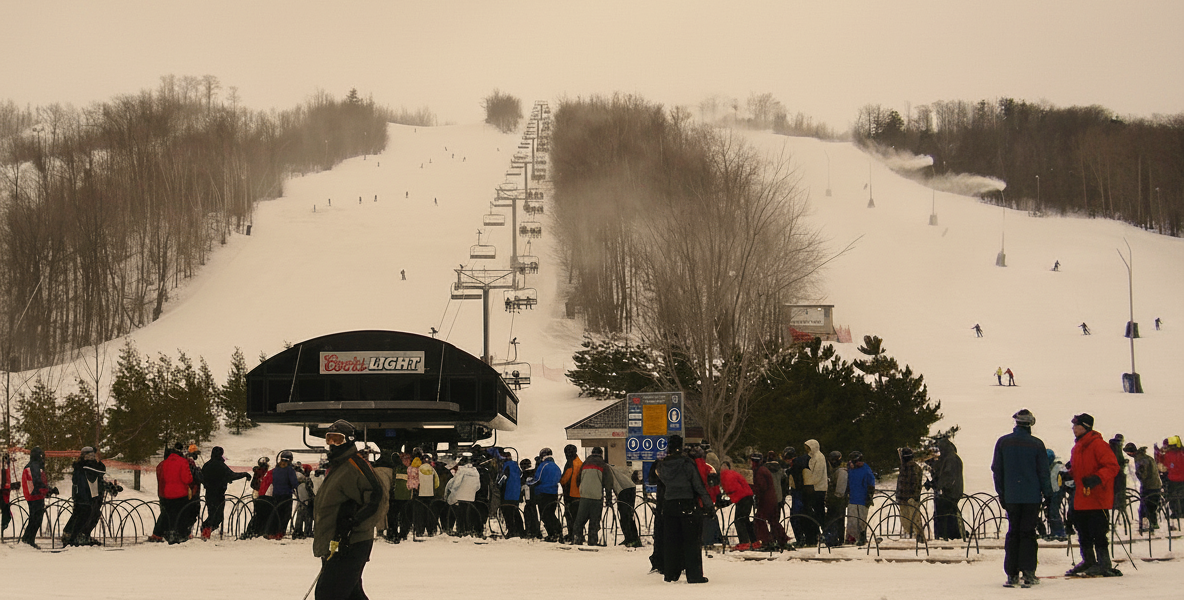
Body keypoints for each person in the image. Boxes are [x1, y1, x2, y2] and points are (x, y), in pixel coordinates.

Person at [313, 420, 386, 600]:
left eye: (337, 439)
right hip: (335, 542)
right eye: (329, 439)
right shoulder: (338, 466)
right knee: (351, 595)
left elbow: (378, 497)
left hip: (351, 543)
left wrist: (354, 522)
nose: (332, 445)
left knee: (328, 594)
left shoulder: (355, 465)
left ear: (350, 440)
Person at [991, 409, 1053, 587]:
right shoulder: (1036, 444)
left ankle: (1011, 573)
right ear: (1031, 424)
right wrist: (1047, 494)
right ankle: (1029, 572)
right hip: (1032, 497)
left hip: (1011, 496)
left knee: (1013, 533)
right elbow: (1043, 472)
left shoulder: (1003, 442)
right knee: (1028, 533)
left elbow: (997, 469)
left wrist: (1002, 493)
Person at [1065, 413, 1121, 578]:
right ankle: (1089, 560)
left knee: (1098, 532)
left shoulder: (1099, 445)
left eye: (1077, 425)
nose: (1073, 429)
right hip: (1082, 498)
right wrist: (1069, 474)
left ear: (1085, 427)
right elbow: (1078, 470)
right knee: (1083, 531)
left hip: (1097, 498)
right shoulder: (1077, 447)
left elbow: (1112, 466)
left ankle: (1104, 564)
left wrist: (1097, 478)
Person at [657, 435, 712, 584]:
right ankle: (694, 575)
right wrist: (709, 505)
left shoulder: (663, 465)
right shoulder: (687, 463)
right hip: (687, 504)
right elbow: (698, 485)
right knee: (691, 541)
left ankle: (670, 574)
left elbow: (660, 480)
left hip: (669, 505)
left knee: (671, 541)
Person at [200, 446, 251, 540]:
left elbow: (201, 477)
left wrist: (207, 484)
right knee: (217, 517)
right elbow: (232, 475)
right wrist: (244, 474)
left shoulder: (207, 465)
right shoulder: (221, 465)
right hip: (219, 493)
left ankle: (205, 531)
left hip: (209, 493)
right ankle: (205, 530)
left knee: (212, 513)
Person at [62, 447, 105, 546]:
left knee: (84, 515)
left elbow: (98, 476)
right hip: (85, 496)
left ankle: (73, 534)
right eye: (92, 455)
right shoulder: (87, 466)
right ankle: (76, 537)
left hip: (84, 495)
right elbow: (101, 471)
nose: (93, 457)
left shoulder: (82, 466)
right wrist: (98, 462)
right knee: (84, 516)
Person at [750, 452, 790, 550]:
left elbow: (761, 487)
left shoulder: (759, 471)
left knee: (759, 520)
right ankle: (782, 539)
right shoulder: (764, 469)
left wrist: (751, 488)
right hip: (773, 498)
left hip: (766, 500)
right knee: (773, 520)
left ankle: (766, 541)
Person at [572, 447, 611, 545]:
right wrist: (608, 499)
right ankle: (592, 541)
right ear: (601, 454)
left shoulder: (585, 464)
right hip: (596, 497)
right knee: (594, 521)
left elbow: (577, 480)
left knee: (580, 520)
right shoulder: (603, 465)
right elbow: (608, 483)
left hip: (584, 496)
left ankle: (577, 538)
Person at [157, 444, 194, 544]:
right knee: (182, 514)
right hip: (180, 494)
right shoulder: (183, 462)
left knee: (169, 515)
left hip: (166, 493)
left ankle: (169, 533)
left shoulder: (163, 463)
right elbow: (187, 479)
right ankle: (180, 534)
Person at [21, 447, 56, 548]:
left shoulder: (32, 465)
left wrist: (47, 490)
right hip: (35, 495)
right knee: (36, 519)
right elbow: (38, 482)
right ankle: (28, 540)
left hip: (34, 495)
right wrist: (49, 490)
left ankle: (27, 539)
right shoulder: (35, 466)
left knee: (34, 518)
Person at [931, 437, 964, 541]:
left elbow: (947, 475)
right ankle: (950, 533)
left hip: (950, 491)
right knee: (949, 513)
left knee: (946, 513)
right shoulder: (948, 458)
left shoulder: (951, 459)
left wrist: (939, 485)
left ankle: (949, 534)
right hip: (951, 490)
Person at [720, 460, 756, 550]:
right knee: (745, 519)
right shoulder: (732, 473)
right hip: (749, 496)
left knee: (739, 520)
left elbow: (732, 490)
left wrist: (726, 500)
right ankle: (754, 541)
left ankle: (744, 542)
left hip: (742, 498)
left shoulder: (724, 476)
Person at [1126, 443, 1161, 533]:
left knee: (1145, 508)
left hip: (1148, 486)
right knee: (1152, 507)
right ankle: (1153, 524)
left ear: (1130, 452)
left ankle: (1145, 527)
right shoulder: (1146, 457)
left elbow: (1143, 475)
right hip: (1156, 485)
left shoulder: (1140, 460)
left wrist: (1138, 474)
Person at [529, 448, 562, 541]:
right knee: (551, 514)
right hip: (553, 493)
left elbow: (537, 479)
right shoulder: (556, 466)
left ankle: (552, 533)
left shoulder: (543, 465)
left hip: (543, 492)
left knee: (545, 515)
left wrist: (528, 482)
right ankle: (558, 531)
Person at [268, 450, 301, 540]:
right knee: (285, 515)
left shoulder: (276, 469)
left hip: (276, 494)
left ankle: (272, 532)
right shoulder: (289, 470)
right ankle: (280, 532)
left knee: (276, 513)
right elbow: (294, 482)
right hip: (286, 494)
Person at [444, 454, 480, 536]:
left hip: (461, 496)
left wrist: (452, 490)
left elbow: (457, 483)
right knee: (468, 513)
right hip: (471, 496)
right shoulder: (475, 471)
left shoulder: (461, 470)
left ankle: (461, 530)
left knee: (460, 514)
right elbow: (478, 486)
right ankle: (468, 529)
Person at [845, 451, 876, 546]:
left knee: (862, 519)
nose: (859, 463)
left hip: (863, 498)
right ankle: (851, 537)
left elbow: (871, 483)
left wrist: (870, 495)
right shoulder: (850, 469)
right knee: (852, 519)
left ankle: (862, 536)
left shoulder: (866, 469)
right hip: (853, 498)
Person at [802, 440, 829, 547]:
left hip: (818, 489)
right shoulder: (813, 457)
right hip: (814, 488)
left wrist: (808, 482)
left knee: (818, 512)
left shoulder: (819, 457)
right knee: (814, 512)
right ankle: (817, 533)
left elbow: (817, 474)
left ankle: (824, 533)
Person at [608, 459, 640, 547]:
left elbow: (608, 483)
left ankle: (633, 539)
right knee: (626, 516)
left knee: (626, 516)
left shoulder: (608, 468)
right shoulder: (617, 468)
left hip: (624, 490)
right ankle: (630, 538)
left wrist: (608, 497)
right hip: (627, 488)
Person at [896, 447, 925, 542]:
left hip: (911, 498)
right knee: (905, 519)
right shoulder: (904, 467)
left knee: (914, 517)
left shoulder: (914, 468)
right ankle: (910, 535)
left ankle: (918, 536)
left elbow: (916, 484)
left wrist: (914, 496)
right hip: (903, 498)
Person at [1042, 450, 1068, 541]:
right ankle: (1055, 531)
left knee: (1053, 511)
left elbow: (1066, 478)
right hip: (1050, 492)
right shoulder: (1047, 467)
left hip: (1057, 492)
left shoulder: (1058, 467)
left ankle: (1059, 532)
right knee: (1050, 511)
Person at [558, 444, 583, 543]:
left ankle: (573, 535)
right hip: (580, 493)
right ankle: (578, 534)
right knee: (578, 517)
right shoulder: (580, 462)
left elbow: (565, 479)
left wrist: (561, 481)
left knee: (570, 516)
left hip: (570, 494)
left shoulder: (570, 463)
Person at [823, 451, 848, 547]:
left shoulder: (841, 471)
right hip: (836, 499)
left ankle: (837, 538)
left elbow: (840, 488)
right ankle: (836, 537)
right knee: (837, 519)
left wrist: (836, 497)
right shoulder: (837, 470)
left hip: (838, 500)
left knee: (836, 519)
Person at [498, 449, 524, 538]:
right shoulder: (516, 466)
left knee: (507, 512)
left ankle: (511, 531)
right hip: (516, 493)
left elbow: (502, 479)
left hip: (507, 492)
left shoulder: (506, 466)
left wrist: (497, 485)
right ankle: (520, 530)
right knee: (515, 511)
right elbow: (520, 476)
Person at [387, 453, 412, 542]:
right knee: (404, 516)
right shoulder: (407, 470)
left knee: (393, 516)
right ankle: (403, 534)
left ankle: (393, 534)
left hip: (396, 497)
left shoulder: (395, 470)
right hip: (405, 496)